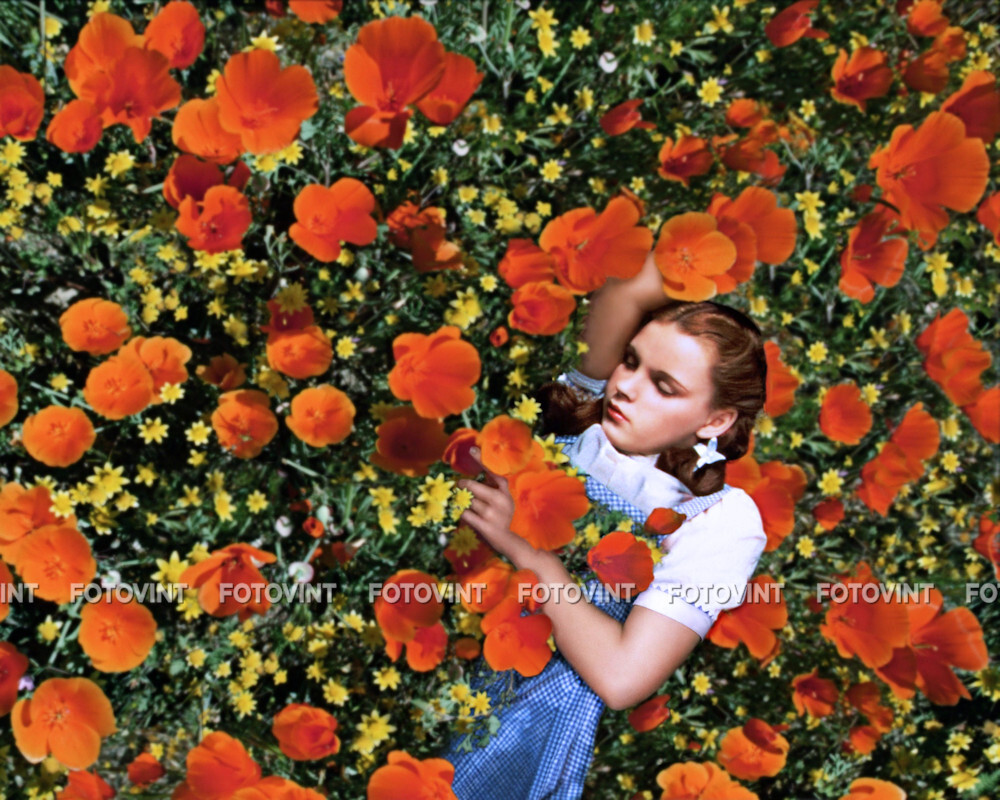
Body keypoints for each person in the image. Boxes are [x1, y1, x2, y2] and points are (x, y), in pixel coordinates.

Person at [441, 251, 769, 799]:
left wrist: (528, 553)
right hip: (432, 653)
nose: (627, 387)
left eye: (665, 386)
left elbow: (621, 678)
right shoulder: (576, 419)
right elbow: (628, 281)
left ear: (716, 421)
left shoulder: (718, 519)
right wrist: (693, 268)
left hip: (522, 732)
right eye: (631, 360)